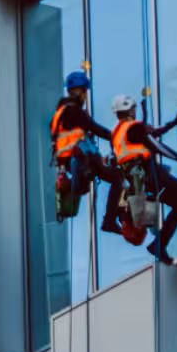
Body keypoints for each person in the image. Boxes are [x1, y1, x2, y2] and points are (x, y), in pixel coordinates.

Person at [109, 94, 177, 263]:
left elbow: (152, 135)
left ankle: (160, 245)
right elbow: (156, 145)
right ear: (129, 110)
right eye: (133, 109)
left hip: (139, 178)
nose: (135, 111)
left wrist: (174, 123)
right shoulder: (132, 128)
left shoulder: (119, 131)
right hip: (148, 174)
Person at [50, 70, 126, 233]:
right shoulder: (73, 111)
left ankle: (113, 215)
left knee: (92, 184)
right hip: (78, 159)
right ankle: (111, 220)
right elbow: (95, 128)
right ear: (77, 91)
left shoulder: (61, 111)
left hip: (70, 160)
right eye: (83, 91)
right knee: (116, 177)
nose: (85, 97)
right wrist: (118, 137)